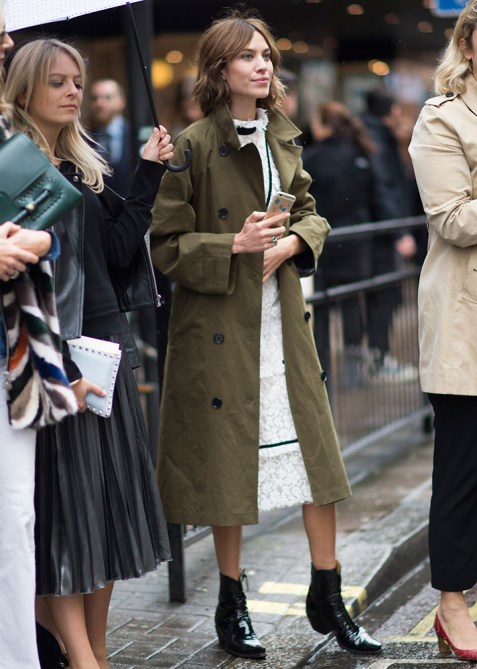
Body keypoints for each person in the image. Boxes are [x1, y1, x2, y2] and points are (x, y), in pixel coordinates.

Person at [150, 8, 382, 661]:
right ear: (219, 67)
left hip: (283, 323)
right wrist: (235, 244)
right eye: (248, 55)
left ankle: (328, 593)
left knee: (316, 463)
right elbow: (165, 245)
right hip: (220, 330)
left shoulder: (283, 134)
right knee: (230, 465)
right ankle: (231, 601)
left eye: (267, 56)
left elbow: (311, 213)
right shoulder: (192, 144)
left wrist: (289, 245)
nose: (261, 65)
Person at [4, 37, 173, 669]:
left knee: (106, 513)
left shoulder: (81, 166)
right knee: (65, 517)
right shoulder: (15, 167)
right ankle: (82, 657)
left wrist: (149, 174)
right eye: (57, 82)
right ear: (24, 89)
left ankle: (94, 650)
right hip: (55, 356)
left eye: (77, 80)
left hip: (107, 350)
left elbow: (120, 252)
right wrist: (60, 363)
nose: (73, 91)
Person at [0, 13, 78, 669]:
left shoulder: (7, 135)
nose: (6, 41)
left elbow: (46, 229)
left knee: (14, 523)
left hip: (15, 358)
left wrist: (40, 236)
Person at [408, 0, 477, 661]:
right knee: (461, 469)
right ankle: (452, 604)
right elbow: (452, 219)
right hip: (465, 322)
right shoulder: (442, 117)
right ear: (469, 44)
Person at [303, 101, 377, 387]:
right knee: (351, 305)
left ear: (323, 125)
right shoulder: (361, 153)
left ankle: (323, 373)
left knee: (321, 308)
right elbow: (372, 194)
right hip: (356, 241)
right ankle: (354, 373)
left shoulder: (312, 158)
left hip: (323, 241)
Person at [361, 88, 417, 379]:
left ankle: (376, 358)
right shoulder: (377, 138)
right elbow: (385, 188)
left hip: (379, 230)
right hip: (382, 233)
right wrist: (399, 232)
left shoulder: (372, 133)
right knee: (384, 296)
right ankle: (378, 359)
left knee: (382, 296)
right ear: (392, 110)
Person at [87, 78, 132, 196]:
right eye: (95, 98)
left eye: (107, 97)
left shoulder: (135, 134)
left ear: (121, 101)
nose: (99, 103)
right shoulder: (87, 139)